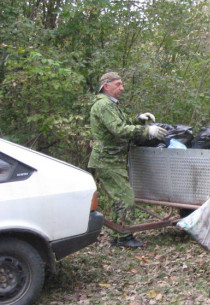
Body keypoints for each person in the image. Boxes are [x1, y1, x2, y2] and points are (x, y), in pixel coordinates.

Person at [88, 72, 167, 248]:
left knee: (120, 197)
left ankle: (118, 235)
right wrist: (147, 131)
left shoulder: (111, 105)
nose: (122, 88)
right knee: (125, 197)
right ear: (106, 86)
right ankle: (124, 238)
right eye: (118, 84)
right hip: (106, 160)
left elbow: (121, 123)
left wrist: (138, 119)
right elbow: (119, 129)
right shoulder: (103, 105)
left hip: (113, 159)